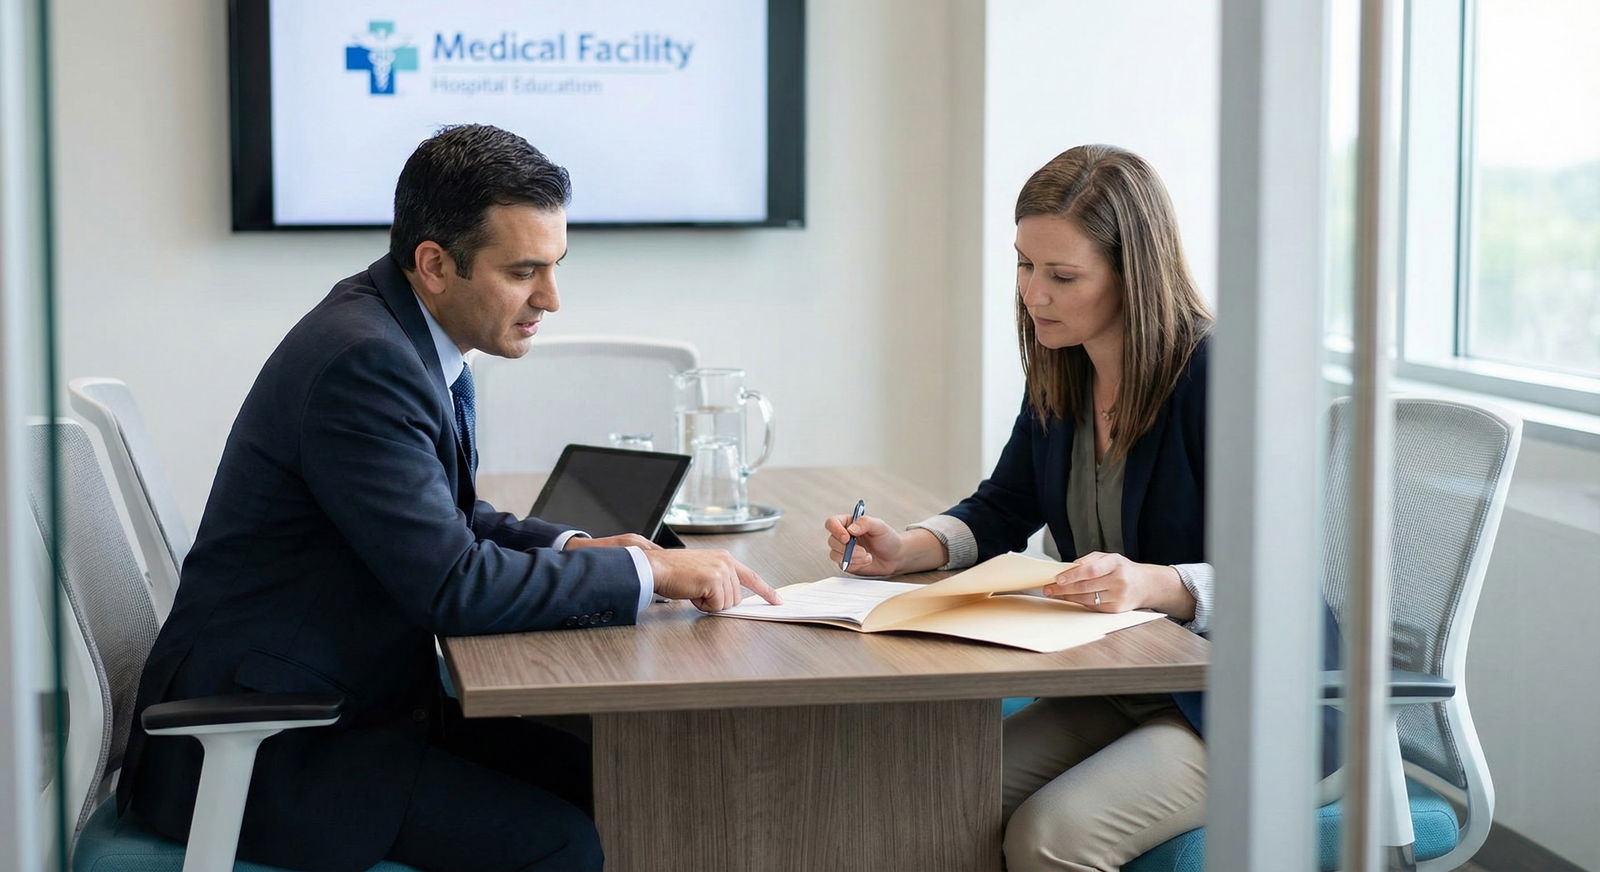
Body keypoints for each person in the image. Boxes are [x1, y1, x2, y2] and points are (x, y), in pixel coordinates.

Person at [118, 124, 780, 872]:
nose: (552, 299)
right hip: (277, 750)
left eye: (556, 266)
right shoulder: (363, 363)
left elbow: (445, 521)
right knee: (563, 839)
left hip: (342, 701)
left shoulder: (393, 333)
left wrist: (577, 548)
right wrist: (649, 575)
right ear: (435, 264)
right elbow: (451, 585)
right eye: (525, 270)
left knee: (623, 778)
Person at [825, 144, 1320, 871]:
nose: (1034, 296)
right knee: (933, 791)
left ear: (1134, 277)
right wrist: (907, 547)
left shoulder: (1219, 377)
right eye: (1025, 265)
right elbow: (1003, 505)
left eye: (1062, 276)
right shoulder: (1066, 365)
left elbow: (1286, 577)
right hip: (1125, 683)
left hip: (1244, 703)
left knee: (1052, 836)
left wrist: (1159, 583)